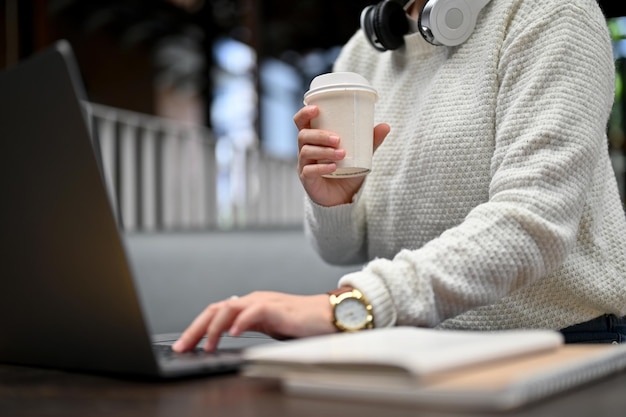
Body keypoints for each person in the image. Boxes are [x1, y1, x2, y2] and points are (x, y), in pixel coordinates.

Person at [173, 0, 626, 353]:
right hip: (414, 342)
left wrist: (352, 307)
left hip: (561, 345)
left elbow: (533, 224)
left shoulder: (552, 14)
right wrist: (334, 203)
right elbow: (341, 250)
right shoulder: (363, 53)